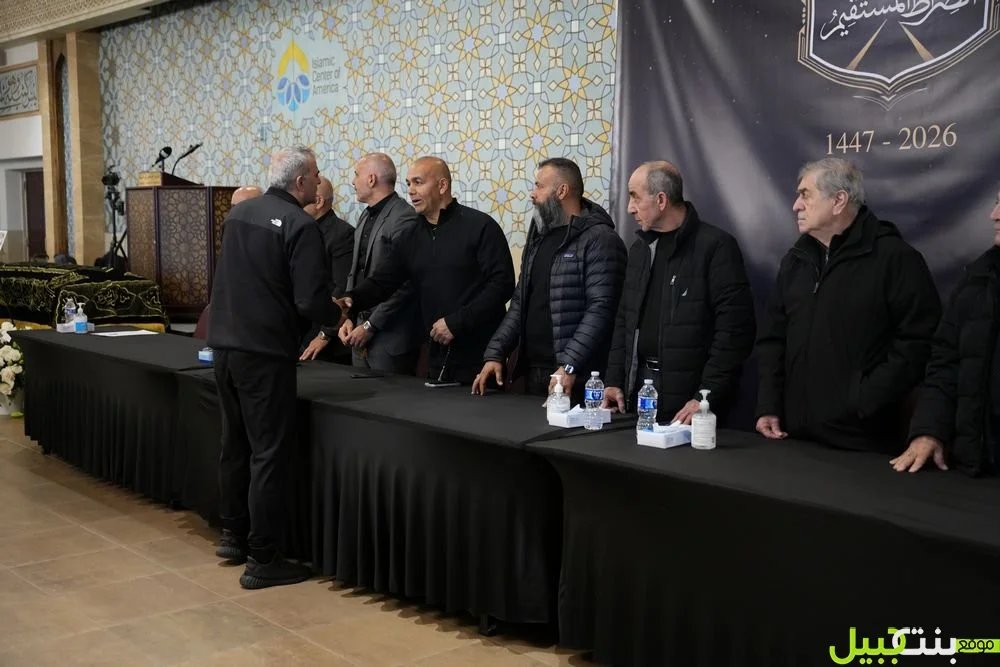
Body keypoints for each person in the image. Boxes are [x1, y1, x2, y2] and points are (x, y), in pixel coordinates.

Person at [207, 146, 342, 589]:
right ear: (300, 182)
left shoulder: (239, 215)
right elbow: (308, 299)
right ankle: (263, 558)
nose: (319, 180)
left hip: (224, 346)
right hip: (264, 353)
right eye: (316, 174)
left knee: (235, 443)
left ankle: (233, 534)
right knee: (269, 453)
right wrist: (336, 314)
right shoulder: (301, 225)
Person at [755, 158, 941, 452]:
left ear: (839, 201)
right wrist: (769, 404)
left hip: (861, 443)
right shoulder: (796, 261)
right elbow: (773, 339)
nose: (796, 205)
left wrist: (863, 400)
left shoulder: (895, 258)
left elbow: (918, 341)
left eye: (805, 195)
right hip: (792, 436)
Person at [601, 161, 756, 423]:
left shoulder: (716, 247)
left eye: (635, 197)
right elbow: (624, 320)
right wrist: (615, 379)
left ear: (661, 200)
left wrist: (705, 396)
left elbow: (735, 331)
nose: (629, 208)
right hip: (639, 388)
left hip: (692, 399)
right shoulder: (640, 250)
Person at [341, 156, 515, 384]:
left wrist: (456, 322)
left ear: (442, 186)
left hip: (480, 355)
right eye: (408, 183)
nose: (411, 191)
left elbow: (502, 285)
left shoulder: (480, 226)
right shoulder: (411, 235)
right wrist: (350, 300)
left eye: (418, 182)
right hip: (436, 354)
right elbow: (383, 282)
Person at [472, 158, 626, 401]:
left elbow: (601, 309)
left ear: (562, 191)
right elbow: (521, 302)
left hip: (577, 376)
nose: (532, 194)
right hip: (533, 369)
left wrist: (569, 365)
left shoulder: (600, 239)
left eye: (539, 186)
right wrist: (495, 353)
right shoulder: (539, 238)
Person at [896, 189, 1000, 475]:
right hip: (978, 470)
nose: (994, 215)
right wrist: (929, 431)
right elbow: (945, 363)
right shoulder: (978, 280)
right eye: (996, 203)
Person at [301, 153, 421, 374]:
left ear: (371, 179)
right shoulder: (365, 215)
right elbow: (353, 273)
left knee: (390, 396)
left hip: (389, 336)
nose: (353, 181)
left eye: (357, 174)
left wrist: (370, 325)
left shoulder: (404, 217)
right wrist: (347, 316)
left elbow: (404, 284)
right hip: (356, 331)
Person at [300, 176, 354, 363]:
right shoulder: (302, 230)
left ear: (318, 201)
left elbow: (342, 287)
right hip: (301, 330)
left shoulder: (342, 234)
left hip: (327, 336)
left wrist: (324, 333)